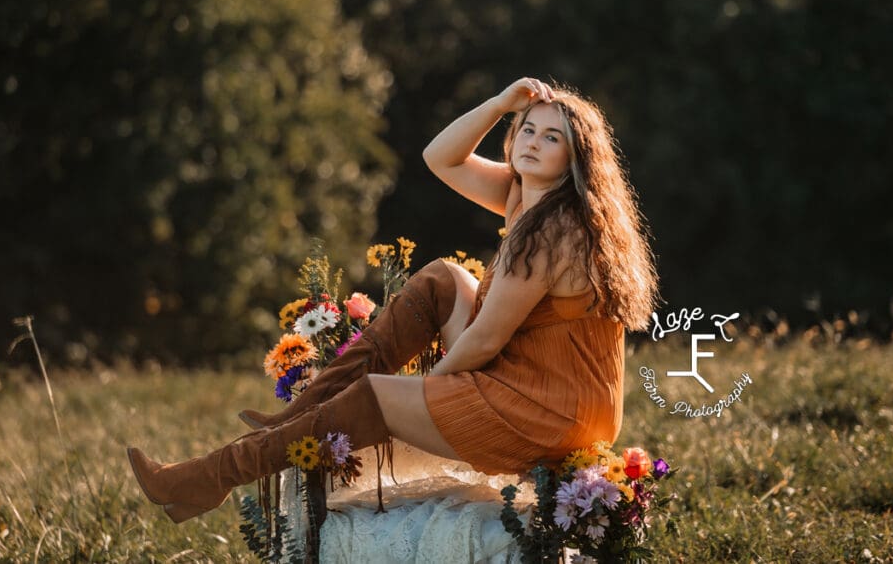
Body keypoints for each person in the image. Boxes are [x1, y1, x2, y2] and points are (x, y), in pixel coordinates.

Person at [127, 77, 658, 524]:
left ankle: (207, 477)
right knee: (442, 279)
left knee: (378, 397)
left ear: (575, 160)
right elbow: (440, 158)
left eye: (553, 138)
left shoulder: (551, 230)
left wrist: (430, 392)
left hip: (550, 410)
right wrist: (499, 105)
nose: (533, 142)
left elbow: (487, 338)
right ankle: (305, 413)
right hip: (537, 378)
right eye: (528, 129)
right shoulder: (525, 195)